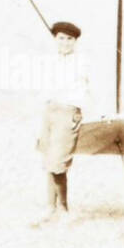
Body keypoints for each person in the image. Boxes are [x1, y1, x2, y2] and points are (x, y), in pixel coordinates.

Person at [36, 20, 91, 222]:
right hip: (50, 111)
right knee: (49, 160)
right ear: (55, 39)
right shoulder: (51, 61)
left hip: (68, 113)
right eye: (61, 38)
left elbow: (82, 90)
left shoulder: (80, 62)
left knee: (58, 163)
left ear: (75, 41)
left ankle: (64, 209)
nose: (65, 43)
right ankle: (50, 208)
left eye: (69, 39)